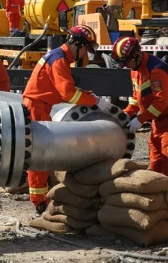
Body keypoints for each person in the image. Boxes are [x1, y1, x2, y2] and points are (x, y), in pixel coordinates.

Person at [22, 25, 115, 213]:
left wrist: (88, 96)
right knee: (39, 155)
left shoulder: (59, 57)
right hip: (36, 108)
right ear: (78, 45)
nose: (85, 54)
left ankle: (40, 196)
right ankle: (39, 202)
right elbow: (68, 93)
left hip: (39, 107)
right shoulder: (59, 60)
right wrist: (95, 101)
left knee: (41, 154)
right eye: (85, 49)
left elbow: (65, 89)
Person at [112, 36, 168, 218]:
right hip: (158, 122)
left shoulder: (157, 70)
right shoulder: (135, 71)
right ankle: (156, 203)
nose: (125, 66)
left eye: (126, 62)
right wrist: (125, 115)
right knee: (155, 162)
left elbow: (161, 102)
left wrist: (140, 120)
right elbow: (136, 99)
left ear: (136, 55)